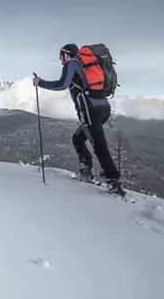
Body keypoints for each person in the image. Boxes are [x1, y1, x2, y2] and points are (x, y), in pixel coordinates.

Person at [33, 43, 124, 195]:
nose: (60, 59)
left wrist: (40, 83)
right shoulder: (86, 64)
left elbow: (62, 84)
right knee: (77, 138)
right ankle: (86, 171)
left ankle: (114, 182)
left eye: (61, 56)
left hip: (90, 111)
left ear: (67, 54)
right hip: (103, 108)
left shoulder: (72, 64)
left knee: (99, 146)